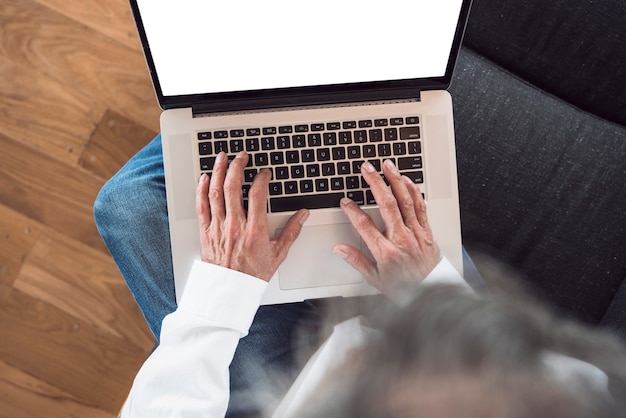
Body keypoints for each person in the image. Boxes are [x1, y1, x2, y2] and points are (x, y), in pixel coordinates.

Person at [94, 135, 626, 417]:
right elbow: (569, 374)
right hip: (448, 325)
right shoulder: (573, 402)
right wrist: (430, 287)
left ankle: (258, 96)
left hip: (289, 396)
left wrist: (223, 290)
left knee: (127, 206)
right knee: (376, 150)